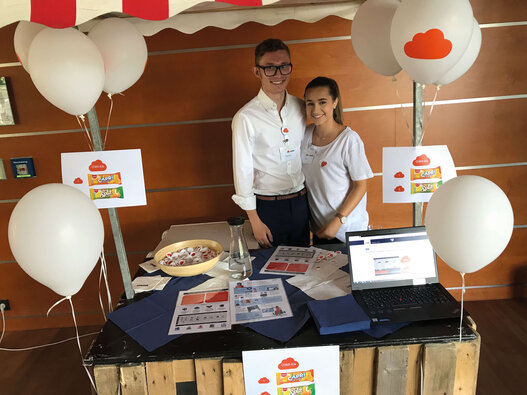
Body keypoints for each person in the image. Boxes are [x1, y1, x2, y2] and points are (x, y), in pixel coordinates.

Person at [231, 38, 309, 248]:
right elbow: (242, 171)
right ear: (257, 72)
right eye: (270, 68)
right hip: (268, 208)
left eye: (284, 67)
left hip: (302, 202)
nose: (279, 75)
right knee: (272, 270)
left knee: (306, 268)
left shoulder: (301, 107)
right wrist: (255, 220)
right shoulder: (246, 117)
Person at [301, 76, 373, 244]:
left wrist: (338, 220)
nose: (315, 109)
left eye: (322, 102)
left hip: (348, 232)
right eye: (310, 103)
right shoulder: (305, 135)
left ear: (335, 102)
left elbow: (361, 186)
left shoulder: (349, 140)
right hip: (321, 231)